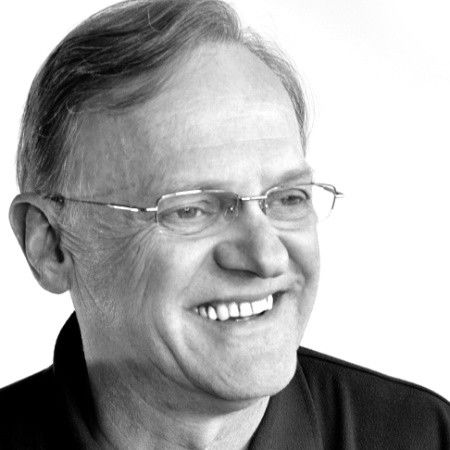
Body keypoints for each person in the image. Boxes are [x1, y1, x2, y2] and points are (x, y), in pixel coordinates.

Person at [1, 0, 448, 448]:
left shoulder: (426, 437)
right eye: (191, 209)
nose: (267, 257)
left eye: (288, 198)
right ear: (50, 245)